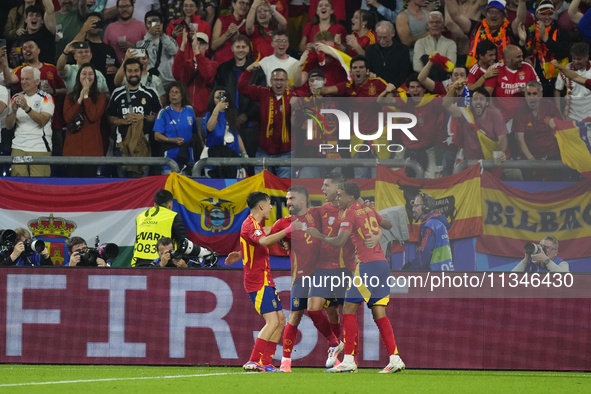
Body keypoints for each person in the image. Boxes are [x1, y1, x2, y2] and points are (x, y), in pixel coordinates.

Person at [306, 181, 404, 373]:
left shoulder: (350, 212)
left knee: (349, 309)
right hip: (383, 265)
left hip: (366, 265)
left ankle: (349, 360)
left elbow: (341, 241)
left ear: (350, 197)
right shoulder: (367, 210)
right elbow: (388, 223)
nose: (337, 198)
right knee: (379, 313)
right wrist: (378, 235)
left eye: (340, 194)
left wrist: (320, 236)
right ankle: (395, 358)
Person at [224, 191, 301, 372]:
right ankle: (252, 360)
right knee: (273, 321)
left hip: (265, 278)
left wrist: (241, 253)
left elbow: (259, 239)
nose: (271, 207)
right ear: (261, 206)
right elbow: (265, 241)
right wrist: (289, 230)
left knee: (281, 320)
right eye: (269, 204)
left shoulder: (257, 224)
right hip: (256, 280)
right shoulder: (250, 224)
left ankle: (266, 362)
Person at [304, 173, 358, 366]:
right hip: (322, 269)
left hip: (345, 268)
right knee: (313, 309)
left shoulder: (352, 210)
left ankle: (351, 359)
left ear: (338, 188)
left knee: (344, 312)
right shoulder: (320, 210)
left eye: (326, 185)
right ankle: (335, 344)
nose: (322, 189)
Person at [271, 186, 323, 372]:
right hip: (300, 277)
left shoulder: (319, 215)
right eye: (287, 199)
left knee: (331, 312)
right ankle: (286, 361)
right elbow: (267, 237)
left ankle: (339, 348)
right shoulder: (283, 223)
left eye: (292, 198)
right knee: (295, 316)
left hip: (325, 274)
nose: (288, 202)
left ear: (303, 199)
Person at [319, 55, 388, 178]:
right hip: (357, 136)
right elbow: (325, 91)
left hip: (378, 135)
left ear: (367, 71)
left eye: (361, 67)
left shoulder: (377, 83)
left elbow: (395, 96)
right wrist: (318, 86)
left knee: (379, 176)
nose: (358, 70)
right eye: (355, 68)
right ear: (351, 72)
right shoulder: (347, 87)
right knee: (360, 176)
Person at [214, 35, 266, 164]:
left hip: (249, 126)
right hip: (227, 122)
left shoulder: (257, 71)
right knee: (228, 163)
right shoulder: (223, 68)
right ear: (232, 48)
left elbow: (261, 96)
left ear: (248, 49)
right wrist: (226, 113)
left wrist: (247, 115)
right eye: (238, 47)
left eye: (244, 47)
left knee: (249, 161)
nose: (240, 50)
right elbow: (218, 91)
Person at [238, 63, 296, 178]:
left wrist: (298, 108)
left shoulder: (294, 98)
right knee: (261, 188)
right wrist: (248, 71)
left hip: (286, 152)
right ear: (270, 81)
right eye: (275, 80)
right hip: (264, 151)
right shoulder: (263, 93)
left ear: (286, 82)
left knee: (283, 190)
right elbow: (241, 87)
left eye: (281, 80)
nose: (278, 83)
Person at [107, 58, 161, 177]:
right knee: (122, 186)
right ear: (125, 73)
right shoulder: (117, 93)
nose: (133, 74)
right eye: (130, 71)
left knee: (142, 186)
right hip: (121, 147)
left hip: (143, 147)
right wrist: (123, 121)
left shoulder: (150, 93)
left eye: (136, 70)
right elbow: (108, 118)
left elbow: (159, 117)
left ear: (141, 72)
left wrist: (143, 117)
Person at [5, 66, 54, 177]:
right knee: (19, 185)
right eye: (22, 79)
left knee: (39, 186)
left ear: (37, 81)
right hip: (18, 147)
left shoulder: (47, 97)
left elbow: (43, 121)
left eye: (27, 79)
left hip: (39, 147)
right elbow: (8, 126)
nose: (24, 82)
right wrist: (13, 112)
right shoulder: (15, 98)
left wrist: (27, 108)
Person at [445, 0, 525, 66]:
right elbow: (456, 16)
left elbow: (520, 20)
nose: (493, 15)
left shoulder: (509, 29)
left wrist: (522, 2)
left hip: (503, 76)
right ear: (485, 14)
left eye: (498, 12)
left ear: (504, 15)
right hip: (476, 74)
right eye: (490, 12)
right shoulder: (475, 27)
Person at [62, 63, 107, 178]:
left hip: (92, 150)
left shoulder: (100, 97)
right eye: (84, 74)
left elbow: (93, 116)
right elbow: (68, 118)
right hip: (72, 149)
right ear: (78, 76)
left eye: (90, 74)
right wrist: (80, 99)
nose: (87, 77)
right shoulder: (69, 96)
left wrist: (86, 97)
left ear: (95, 77)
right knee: (72, 185)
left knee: (90, 185)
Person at [512, 81, 563, 181]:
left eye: (534, 94)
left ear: (540, 95)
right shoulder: (519, 112)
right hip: (530, 157)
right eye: (528, 94)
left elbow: (562, 127)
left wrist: (556, 123)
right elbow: (520, 139)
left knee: (555, 188)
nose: (531, 97)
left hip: (551, 156)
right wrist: (532, 161)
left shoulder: (550, 106)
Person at [517, 0, 569, 97]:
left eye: (550, 14)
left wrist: (545, 38)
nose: (547, 17)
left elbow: (564, 52)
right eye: (543, 14)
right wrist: (522, 42)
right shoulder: (530, 31)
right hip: (535, 81)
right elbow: (522, 56)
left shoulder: (561, 31)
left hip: (557, 83)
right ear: (536, 14)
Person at [153, 81, 201, 174]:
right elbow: (157, 135)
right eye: (171, 92)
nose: (173, 95)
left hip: (188, 155)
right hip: (170, 156)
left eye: (176, 92)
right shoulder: (163, 112)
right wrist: (172, 140)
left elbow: (194, 131)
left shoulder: (190, 110)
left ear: (182, 95)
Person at [132, 189, 189, 267]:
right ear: (170, 204)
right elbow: (183, 243)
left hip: (140, 260)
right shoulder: (173, 216)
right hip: (163, 260)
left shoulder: (140, 216)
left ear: (155, 204)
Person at [202, 87, 247, 177]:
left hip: (232, 159)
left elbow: (236, 135)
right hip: (214, 161)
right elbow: (209, 129)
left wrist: (244, 153)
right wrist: (216, 110)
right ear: (212, 99)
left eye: (223, 96)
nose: (220, 99)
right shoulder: (208, 115)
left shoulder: (232, 115)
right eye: (217, 97)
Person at [172, 30, 218, 120]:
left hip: (203, 114)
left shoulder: (213, 64)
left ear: (207, 46)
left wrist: (197, 52)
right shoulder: (186, 64)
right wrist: (182, 46)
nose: (198, 45)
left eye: (201, 43)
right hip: (184, 112)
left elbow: (208, 76)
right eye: (195, 43)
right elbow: (176, 74)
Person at [402, 193, 454, 271]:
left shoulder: (431, 225)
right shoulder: (437, 223)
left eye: (416, 206)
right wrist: (406, 267)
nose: (413, 209)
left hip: (435, 276)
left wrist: (408, 272)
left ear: (426, 207)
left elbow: (423, 257)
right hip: (442, 274)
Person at [79, 13, 120, 91]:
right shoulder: (82, 47)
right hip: (85, 89)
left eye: (97, 23)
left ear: (102, 26)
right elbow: (73, 47)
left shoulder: (109, 49)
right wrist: (83, 30)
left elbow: (119, 70)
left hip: (106, 90)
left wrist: (115, 70)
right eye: (91, 23)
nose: (94, 25)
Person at [138, 11, 178, 88]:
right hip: (150, 83)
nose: (153, 25)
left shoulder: (169, 40)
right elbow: (140, 54)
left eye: (155, 22)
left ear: (161, 24)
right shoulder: (140, 43)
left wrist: (162, 34)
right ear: (145, 26)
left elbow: (174, 52)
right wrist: (149, 36)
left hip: (168, 83)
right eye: (150, 23)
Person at [365, 20, 412, 87]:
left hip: (396, 88)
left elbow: (404, 73)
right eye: (379, 37)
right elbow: (368, 70)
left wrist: (392, 86)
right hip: (375, 87)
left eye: (385, 37)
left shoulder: (403, 50)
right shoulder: (370, 50)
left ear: (393, 33)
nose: (382, 41)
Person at [413, 12, 457, 80]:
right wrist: (441, 62)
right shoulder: (420, 43)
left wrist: (427, 60)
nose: (435, 25)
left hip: (444, 80)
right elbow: (417, 66)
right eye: (431, 22)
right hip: (424, 81)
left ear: (443, 25)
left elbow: (450, 66)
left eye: (438, 22)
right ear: (427, 25)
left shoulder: (451, 44)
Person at [554, 42, 591, 122]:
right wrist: (558, 112)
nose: (575, 61)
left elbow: (577, 77)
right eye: (574, 58)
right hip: (571, 115)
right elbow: (557, 90)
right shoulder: (565, 70)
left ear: (587, 57)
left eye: (579, 59)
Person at [17, 1, 57, 66]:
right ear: (26, 19)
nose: (34, 17)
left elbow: (50, 9)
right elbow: (19, 59)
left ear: (42, 20)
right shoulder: (22, 37)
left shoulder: (47, 32)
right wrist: (16, 55)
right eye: (31, 15)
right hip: (27, 72)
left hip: (46, 72)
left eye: (38, 15)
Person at [211, 0, 251, 64]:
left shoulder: (248, 25)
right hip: (221, 61)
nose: (244, 6)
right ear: (233, 4)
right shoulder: (222, 20)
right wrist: (227, 33)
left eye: (247, 4)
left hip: (240, 62)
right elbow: (213, 46)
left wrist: (239, 38)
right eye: (241, 3)